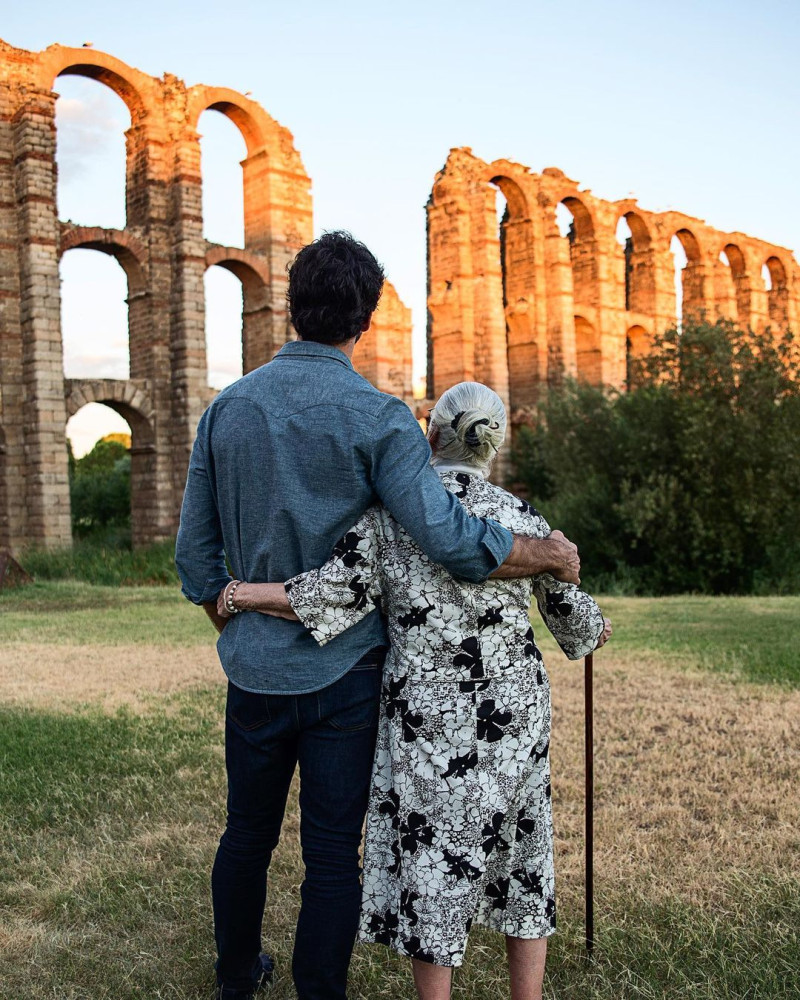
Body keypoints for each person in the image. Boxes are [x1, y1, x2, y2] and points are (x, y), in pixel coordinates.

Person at [175, 232, 582, 1000]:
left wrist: (240, 626)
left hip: (254, 669)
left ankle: (235, 980)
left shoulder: (225, 410)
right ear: (363, 321)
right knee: (333, 850)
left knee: (246, 834)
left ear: (291, 308)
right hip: (349, 671)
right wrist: (546, 552)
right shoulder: (380, 418)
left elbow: (196, 561)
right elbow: (453, 541)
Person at [223, 382, 612, 1000]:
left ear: (429, 435)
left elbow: (324, 597)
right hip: (514, 710)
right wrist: (592, 618)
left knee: (435, 856)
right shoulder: (520, 518)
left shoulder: (388, 518)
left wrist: (240, 593)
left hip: (427, 717)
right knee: (523, 848)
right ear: (495, 444)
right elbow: (577, 628)